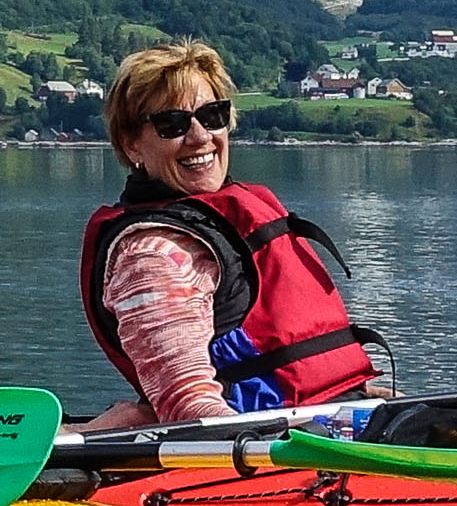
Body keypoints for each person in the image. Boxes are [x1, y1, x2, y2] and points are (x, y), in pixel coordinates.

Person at [76, 40, 384, 432]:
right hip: (270, 443)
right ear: (131, 143)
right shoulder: (153, 254)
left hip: (328, 420)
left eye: (213, 115)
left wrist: (372, 405)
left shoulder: (227, 220)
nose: (200, 137)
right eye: (172, 124)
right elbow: (190, 406)